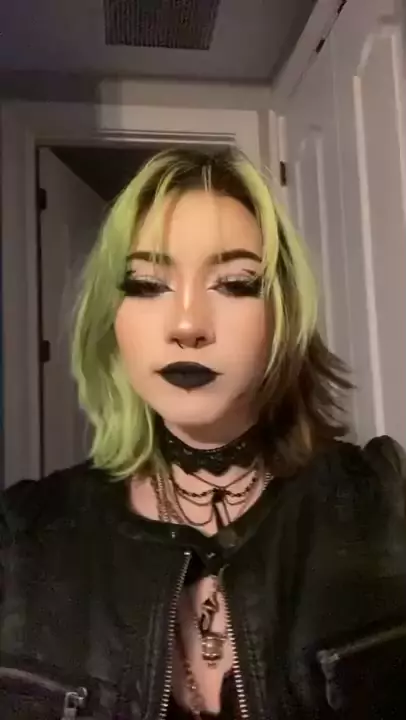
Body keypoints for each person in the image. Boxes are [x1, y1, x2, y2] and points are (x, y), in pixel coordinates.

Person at [0, 147, 406, 720]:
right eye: (147, 284)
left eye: (235, 283)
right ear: (112, 318)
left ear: (283, 314)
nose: (188, 325)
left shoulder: (386, 502)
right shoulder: (21, 537)